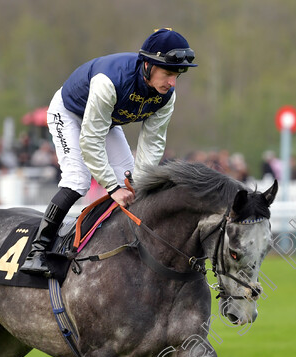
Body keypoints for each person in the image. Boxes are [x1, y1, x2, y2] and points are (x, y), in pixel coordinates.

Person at [19, 28, 197, 276]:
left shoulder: (167, 97)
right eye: (168, 73)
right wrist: (112, 188)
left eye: (177, 75)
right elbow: (90, 141)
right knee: (77, 181)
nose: (172, 83)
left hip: (104, 120)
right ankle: (36, 252)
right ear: (147, 66)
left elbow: (152, 143)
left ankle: (117, 245)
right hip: (69, 113)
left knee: (132, 182)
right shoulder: (110, 82)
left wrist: (135, 183)